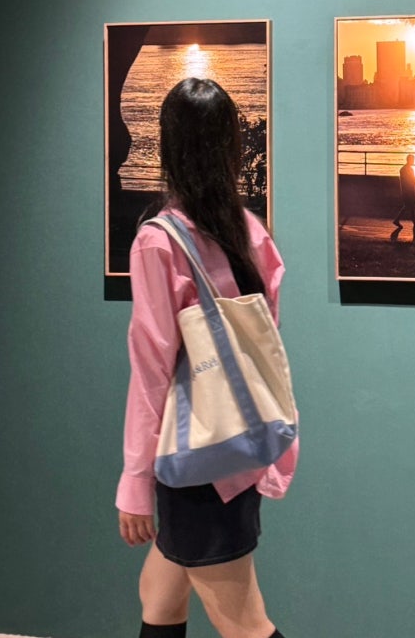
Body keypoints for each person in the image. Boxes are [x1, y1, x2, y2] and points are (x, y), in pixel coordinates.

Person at [116, 78, 296, 638]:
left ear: (168, 147)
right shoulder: (250, 232)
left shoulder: (159, 241)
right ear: (230, 148)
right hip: (239, 446)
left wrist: (135, 480)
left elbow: (151, 372)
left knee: (244, 622)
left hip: (196, 458)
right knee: (160, 595)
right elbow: (265, 341)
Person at [393, 153, 415, 229]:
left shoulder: (407, 169)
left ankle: (398, 220)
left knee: (408, 206)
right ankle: (414, 223)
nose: (413, 161)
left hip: (409, 190)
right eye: (413, 160)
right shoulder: (405, 169)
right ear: (409, 160)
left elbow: (413, 178)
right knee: (411, 206)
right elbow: (411, 179)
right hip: (407, 190)